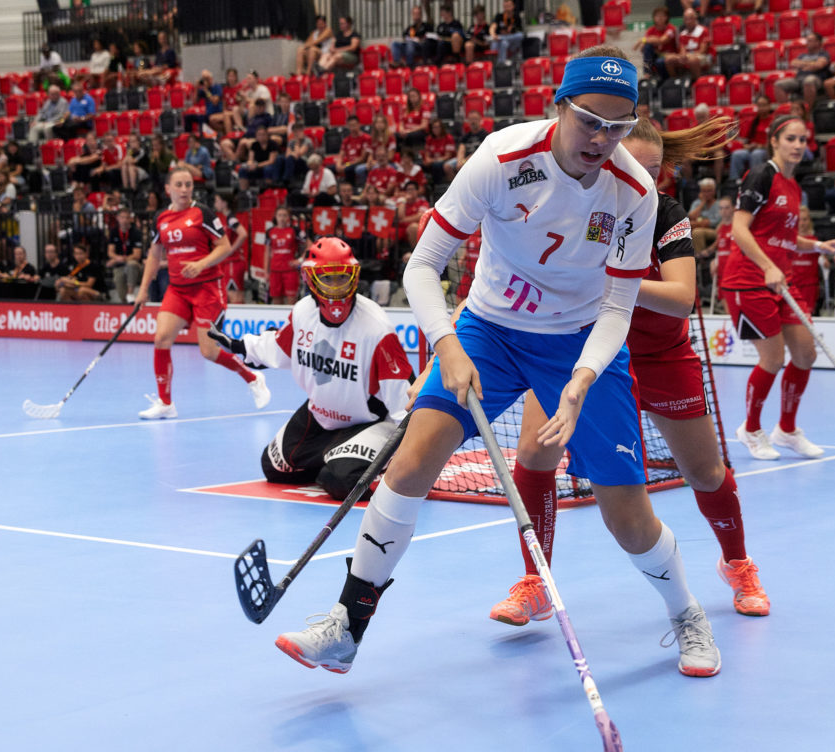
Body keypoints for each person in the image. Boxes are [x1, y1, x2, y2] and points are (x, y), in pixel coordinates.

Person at [272, 47, 724, 679]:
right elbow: (422, 266)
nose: (602, 139)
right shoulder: (502, 157)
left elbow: (619, 306)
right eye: (590, 120)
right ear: (559, 107)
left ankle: (685, 612)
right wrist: (448, 344)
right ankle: (348, 626)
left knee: (627, 512)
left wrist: (581, 381)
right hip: (488, 327)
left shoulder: (635, 193)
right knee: (411, 462)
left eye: (618, 127)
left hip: (579, 340)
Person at [487, 72, 765, 631]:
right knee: (534, 456)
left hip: (660, 358)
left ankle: (738, 564)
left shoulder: (662, 213)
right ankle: (535, 582)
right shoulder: (575, 203)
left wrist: (613, 278)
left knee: (705, 471)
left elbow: (683, 298)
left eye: (647, 168)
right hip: (585, 353)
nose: (625, 172)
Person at [208, 237, 415, 494]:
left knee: (340, 482)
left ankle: (360, 462)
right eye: (328, 278)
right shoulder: (303, 311)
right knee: (274, 467)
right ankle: (337, 457)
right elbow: (279, 347)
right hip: (321, 417)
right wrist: (239, 345)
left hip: (369, 421)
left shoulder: (376, 327)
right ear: (311, 278)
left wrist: (413, 455)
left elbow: (403, 396)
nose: (336, 286)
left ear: (354, 275)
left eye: (342, 277)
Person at [722, 115, 835, 462]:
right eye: (790, 139)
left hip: (780, 279)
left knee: (806, 353)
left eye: (802, 140)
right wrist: (767, 266)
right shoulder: (762, 175)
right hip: (748, 280)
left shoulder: (794, 188)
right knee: (773, 358)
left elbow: (786, 238)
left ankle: (787, 430)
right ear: (774, 141)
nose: (797, 145)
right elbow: (740, 230)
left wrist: (821, 245)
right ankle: (750, 428)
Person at [133, 168, 272, 418]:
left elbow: (225, 247)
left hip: (207, 288)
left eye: (188, 184)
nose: (185, 189)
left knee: (208, 352)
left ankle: (252, 377)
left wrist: (200, 264)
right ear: (168, 189)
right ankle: (166, 404)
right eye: (179, 184)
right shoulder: (161, 218)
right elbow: (154, 255)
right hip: (177, 289)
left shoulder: (202, 213)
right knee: (161, 339)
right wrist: (143, 290)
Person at [776, 32, 830, 109]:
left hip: (816, 78)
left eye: (810, 41)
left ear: (818, 42)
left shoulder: (823, 54)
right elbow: (793, 63)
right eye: (807, 41)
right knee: (778, 84)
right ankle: (787, 110)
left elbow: (819, 65)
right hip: (799, 79)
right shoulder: (803, 55)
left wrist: (803, 65)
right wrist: (812, 64)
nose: (807, 43)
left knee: (808, 81)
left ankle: (807, 111)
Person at [264, 206, 304, 304]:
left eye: (284, 215)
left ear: (288, 217)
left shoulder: (295, 230)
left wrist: (300, 260)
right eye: (279, 215)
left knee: (292, 301)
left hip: (290, 270)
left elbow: (310, 245)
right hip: (275, 271)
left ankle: (292, 320)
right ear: (275, 217)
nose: (282, 218)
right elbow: (267, 252)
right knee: (276, 301)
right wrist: (266, 271)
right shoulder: (270, 232)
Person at [107, 208, 145, 302]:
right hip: (119, 265)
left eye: (127, 218)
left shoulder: (136, 232)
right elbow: (110, 252)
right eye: (122, 217)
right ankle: (125, 302)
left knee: (132, 264)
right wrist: (117, 259)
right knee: (121, 294)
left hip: (133, 264)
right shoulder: (114, 232)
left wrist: (118, 259)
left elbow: (137, 255)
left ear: (130, 219)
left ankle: (131, 293)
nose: (124, 220)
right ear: (117, 218)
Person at [666, 8, 712, 80]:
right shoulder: (682, 34)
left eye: (690, 18)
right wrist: (682, 56)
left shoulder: (703, 30)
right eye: (686, 19)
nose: (688, 21)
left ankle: (698, 82)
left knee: (693, 60)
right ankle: (676, 82)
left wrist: (688, 56)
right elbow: (682, 50)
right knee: (669, 59)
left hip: (703, 56)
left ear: (695, 18)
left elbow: (702, 51)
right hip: (687, 57)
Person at [637, 6, 678, 79]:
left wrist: (644, 39)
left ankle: (667, 80)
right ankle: (647, 73)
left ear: (667, 17)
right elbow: (642, 48)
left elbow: (662, 41)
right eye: (657, 15)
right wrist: (645, 41)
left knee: (660, 61)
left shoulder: (671, 28)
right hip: (656, 55)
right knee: (647, 46)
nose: (660, 18)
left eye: (662, 15)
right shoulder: (651, 30)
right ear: (654, 17)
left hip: (669, 55)